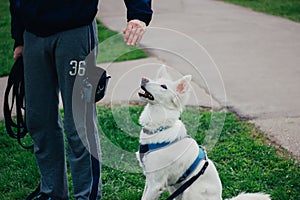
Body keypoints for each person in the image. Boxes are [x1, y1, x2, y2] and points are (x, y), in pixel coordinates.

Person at [9, 0, 152, 199]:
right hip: (32, 33)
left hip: (75, 30)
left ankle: (87, 196)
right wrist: (19, 36)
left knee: (79, 123)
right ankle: (52, 193)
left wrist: (139, 13)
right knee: (39, 121)